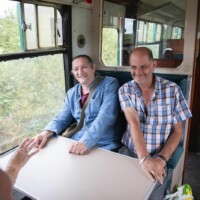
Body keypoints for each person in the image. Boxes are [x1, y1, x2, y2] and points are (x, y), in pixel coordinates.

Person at [118, 47, 192, 199]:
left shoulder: (173, 90)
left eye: (143, 66)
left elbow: (178, 131)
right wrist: (144, 159)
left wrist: (161, 159)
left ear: (154, 65)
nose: (138, 72)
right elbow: (133, 123)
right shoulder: (125, 90)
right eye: (133, 67)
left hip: (160, 154)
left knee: (150, 196)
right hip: (130, 151)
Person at [33, 55, 121, 155]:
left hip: (104, 144)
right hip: (77, 141)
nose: (80, 72)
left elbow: (106, 117)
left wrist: (86, 142)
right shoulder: (71, 93)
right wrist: (46, 132)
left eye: (84, 67)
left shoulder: (109, 84)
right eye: (76, 69)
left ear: (93, 68)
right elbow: (62, 118)